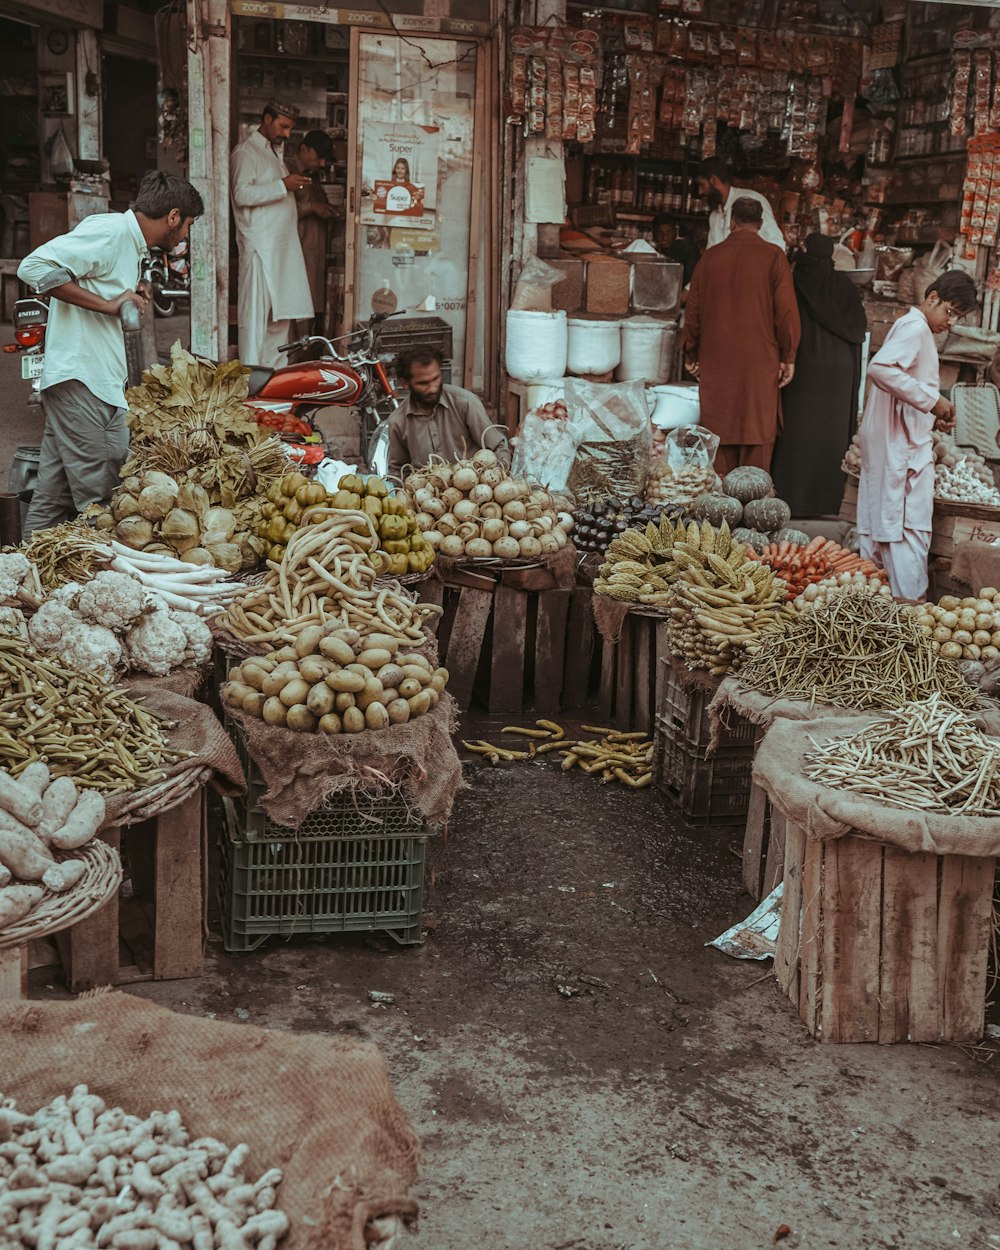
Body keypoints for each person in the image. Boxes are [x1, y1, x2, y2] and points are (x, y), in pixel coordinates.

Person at [17, 170, 203, 538]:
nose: (185, 235)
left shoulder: (129, 243)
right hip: (87, 385)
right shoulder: (112, 232)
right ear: (173, 216)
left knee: (52, 500)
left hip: (81, 383)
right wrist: (108, 305)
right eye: (188, 225)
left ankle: (17, 577)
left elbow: (98, 277)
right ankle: (93, 586)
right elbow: (33, 268)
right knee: (105, 504)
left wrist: (133, 290)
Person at [857, 270, 978, 601]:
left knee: (885, 524)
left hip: (894, 440)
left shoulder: (915, 328)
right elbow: (881, 369)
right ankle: (909, 609)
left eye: (958, 317)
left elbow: (902, 385)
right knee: (907, 528)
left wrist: (930, 412)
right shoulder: (916, 328)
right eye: (950, 312)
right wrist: (932, 401)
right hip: (900, 447)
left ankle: (877, 603)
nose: (950, 322)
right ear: (932, 298)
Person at [681, 197, 800, 476]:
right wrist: (789, 356)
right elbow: (786, 315)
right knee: (757, 433)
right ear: (760, 224)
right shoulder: (774, 257)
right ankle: (755, 507)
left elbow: (693, 312)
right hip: (760, 363)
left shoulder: (709, 258)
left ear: (731, 223)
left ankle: (721, 507)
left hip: (717, 362)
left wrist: (690, 353)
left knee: (719, 435)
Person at [771, 234, 868, 517]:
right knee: (831, 431)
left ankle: (793, 497)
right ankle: (826, 501)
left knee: (799, 430)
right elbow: (857, 331)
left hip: (804, 367)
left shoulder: (793, 283)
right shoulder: (844, 287)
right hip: (839, 372)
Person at [230, 101, 314, 367]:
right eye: (283, 126)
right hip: (259, 252)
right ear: (267, 119)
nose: (287, 134)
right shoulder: (246, 152)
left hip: (279, 252)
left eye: (290, 129)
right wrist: (283, 185)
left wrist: (287, 185)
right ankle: (250, 385)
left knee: (279, 321)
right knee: (254, 322)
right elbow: (241, 194)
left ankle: (273, 383)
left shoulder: (273, 154)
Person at [387, 348, 510, 482]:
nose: (433, 388)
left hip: (476, 489)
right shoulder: (397, 421)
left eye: (436, 379)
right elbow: (398, 471)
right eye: (423, 383)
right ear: (405, 383)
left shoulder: (465, 403)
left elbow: (499, 447)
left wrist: (494, 480)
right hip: (428, 496)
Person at [286, 129, 335, 326]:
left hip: (314, 252)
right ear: (304, 149)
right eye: (319, 157)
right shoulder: (287, 170)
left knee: (310, 309)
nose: (322, 163)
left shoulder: (313, 177)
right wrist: (312, 207)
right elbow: (278, 209)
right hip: (298, 251)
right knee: (298, 309)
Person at [697, 157, 786, 252]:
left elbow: (777, 245)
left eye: (702, 185)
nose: (700, 192)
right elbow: (711, 254)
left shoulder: (749, 200)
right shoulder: (715, 216)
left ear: (713, 180)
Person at [652, 215, 698, 286]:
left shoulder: (686, 249)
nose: (664, 237)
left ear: (675, 233)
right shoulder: (652, 251)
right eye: (660, 232)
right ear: (653, 234)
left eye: (669, 232)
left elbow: (692, 279)